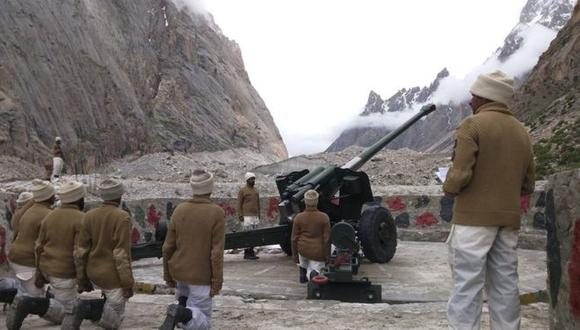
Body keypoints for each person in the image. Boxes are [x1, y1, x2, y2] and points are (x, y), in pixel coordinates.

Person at [443, 70, 535, 330]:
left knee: (467, 285)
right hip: (508, 219)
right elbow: (528, 183)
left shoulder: (472, 125)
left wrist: (449, 189)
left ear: (484, 97)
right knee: (506, 284)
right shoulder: (521, 131)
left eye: (474, 95)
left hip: (473, 221)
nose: (470, 100)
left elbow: (460, 174)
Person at [160, 169, 225, 330]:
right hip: (201, 278)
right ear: (210, 187)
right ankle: (181, 313)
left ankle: (180, 310)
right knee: (202, 323)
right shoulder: (217, 213)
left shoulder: (179, 209)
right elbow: (216, 253)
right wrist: (217, 282)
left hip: (179, 274)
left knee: (185, 316)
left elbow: (167, 247)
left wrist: (168, 275)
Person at [73, 179, 134, 329]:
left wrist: (82, 280)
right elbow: (121, 254)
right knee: (114, 320)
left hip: (93, 271)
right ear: (119, 196)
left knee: (110, 308)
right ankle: (87, 308)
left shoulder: (89, 215)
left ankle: (92, 309)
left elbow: (80, 252)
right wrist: (127, 284)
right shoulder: (122, 217)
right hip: (111, 275)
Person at [35, 181, 86, 328]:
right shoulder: (81, 219)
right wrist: (82, 280)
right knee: (68, 315)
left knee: (64, 309)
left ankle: (40, 303)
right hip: (64, 274)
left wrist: (39, 272)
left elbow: (38, 246)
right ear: (78, 199)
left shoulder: (49, 216)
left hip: (48, 269)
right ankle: (31, 306)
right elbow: (79, 255)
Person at [6, 180, 56, 329]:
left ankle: (21, 299)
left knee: (28, 288)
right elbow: (39, 247)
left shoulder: (28, 210)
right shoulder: (47, 214)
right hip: (28, 259)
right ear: (48, 197)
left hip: (16, 256)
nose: (55, 197)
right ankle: (24, 303)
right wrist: (41, 273)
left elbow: (15, 227)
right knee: (36, 298)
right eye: (53, 194)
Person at [291, 190, 330, 283]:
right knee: (317, 267)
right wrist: (327, 256)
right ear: (317, 201)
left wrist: (295, 256)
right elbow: (327, 239)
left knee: (303, 261)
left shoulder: (298, 217)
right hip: (317, 251)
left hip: (302, 249)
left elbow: (293, 239)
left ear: (305, 201)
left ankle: (302, 273)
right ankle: (314, 275)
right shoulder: (324, 217)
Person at [237, 172, 260, 260]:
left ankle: (252, 252)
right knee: (247, 235)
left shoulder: (256, 190)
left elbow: (258, 203)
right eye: (251, 179)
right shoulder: (242, 190)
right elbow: (239, 204)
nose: (253, 180)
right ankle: (247, 253)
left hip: (255, 216)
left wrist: (259, 214)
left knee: (254, 235)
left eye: (254, 179)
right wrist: (240, 215)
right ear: (247, 180)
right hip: (246, 216)